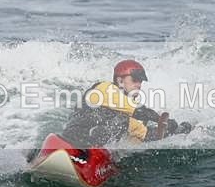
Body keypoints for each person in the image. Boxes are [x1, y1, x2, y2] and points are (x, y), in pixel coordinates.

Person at [61, 59, 192, 147]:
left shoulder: (126, 111)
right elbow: (139, 111)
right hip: (74, 137)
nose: (139, 85)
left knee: (125, 122)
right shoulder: (105, 89)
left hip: (95, 147)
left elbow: (145, 135)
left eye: (141, 81)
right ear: (120, 81)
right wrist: (161, 120)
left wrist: (175, 130)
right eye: (135, 80)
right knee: (122, 120)